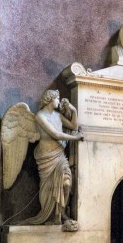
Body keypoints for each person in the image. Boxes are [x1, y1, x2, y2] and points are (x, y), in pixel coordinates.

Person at [23, 89, 84, 225]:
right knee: (48, 188)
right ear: (50, 99)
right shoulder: (40, 116)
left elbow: (73, 125)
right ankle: (49, 214)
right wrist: (76, 138)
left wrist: (73, 110)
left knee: (67, 183)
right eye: (57, 99)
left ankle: (62, 212)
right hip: (46, 156)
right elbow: (55, 134)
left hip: (59, 155)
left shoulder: (57, 115)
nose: (59, 101)